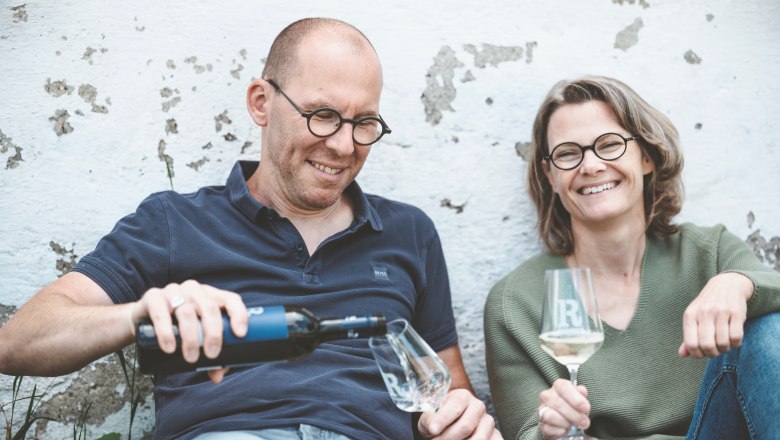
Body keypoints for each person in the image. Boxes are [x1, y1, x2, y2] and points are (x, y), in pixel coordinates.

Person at [0, 18, 500, 440]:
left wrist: (462, 418)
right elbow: (16, 343)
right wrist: (139, 315)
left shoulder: (409, 232)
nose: (345, 146)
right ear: (262, 102)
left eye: (364, 123)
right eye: (324, 116)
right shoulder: (175, 221)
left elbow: (448, 388)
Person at [484, 75, 780, 439]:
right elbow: (525, 432)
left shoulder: (710, 252)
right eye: (567, 154)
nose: (590, 166)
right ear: (550, 175)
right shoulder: (514, 303)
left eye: (609, 145)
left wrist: (737, 283)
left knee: (769, 328)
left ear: (646, 156)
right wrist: (551, 430)